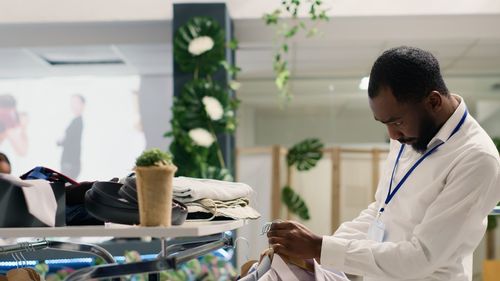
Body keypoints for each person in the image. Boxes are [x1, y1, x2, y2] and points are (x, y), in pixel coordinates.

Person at [267, 46, 500, 281]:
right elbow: (381, 211)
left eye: (397, 121)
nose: (392, 135)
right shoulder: (410, 134)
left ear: (433, 101)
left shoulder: (477, 158)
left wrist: (321, 248)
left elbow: (421, 258)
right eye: (383, 123)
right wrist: (319, 251)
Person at [57, 94, 85, 179]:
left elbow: (68, 140)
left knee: (67, 187)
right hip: (70, 162)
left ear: (82, 105)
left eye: (76, 102)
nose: (73, 105)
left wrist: (60, 142)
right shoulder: (75, 121)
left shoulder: (78, 122)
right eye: (72, 102)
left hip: (70, 163)